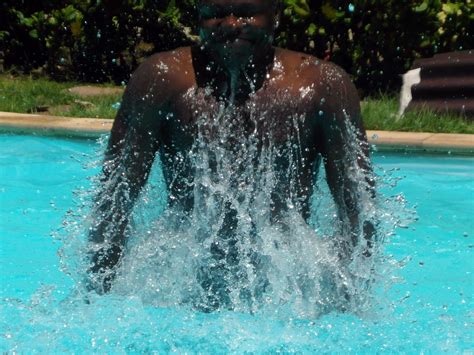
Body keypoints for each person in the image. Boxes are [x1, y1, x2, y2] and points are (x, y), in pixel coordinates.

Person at [87, 0, 375, 300]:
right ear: (198, 18)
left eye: (247, 13)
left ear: (276, 14)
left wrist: (351, 298)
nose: (232, 24)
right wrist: (97, 293)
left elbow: (356, 206)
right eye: (216, 15)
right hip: (185, 278)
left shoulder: (322, 86)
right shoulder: (160, 80)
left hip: (285, 283)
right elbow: (115, 198)